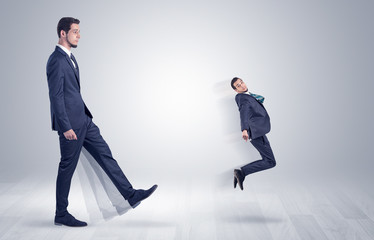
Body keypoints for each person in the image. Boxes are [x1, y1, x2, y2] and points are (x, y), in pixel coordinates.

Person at [46, 17, 157, 227]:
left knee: (105, 155)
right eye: (75, 31)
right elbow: (56, 96)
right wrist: (65, 126)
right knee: (67, 167)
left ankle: (130, 194)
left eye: (79, 31)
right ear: (63, 33)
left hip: (85, 120)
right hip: (71, 125)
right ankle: (61, 213)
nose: (79, 35)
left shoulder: (71, 58)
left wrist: (83, 118)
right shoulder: (56, 60)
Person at [231, 77, 276, 190]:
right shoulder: (242, 97)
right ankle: (241, 172)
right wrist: (244, 129)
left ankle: (241, 172)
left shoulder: (247, 95)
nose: (242, 85)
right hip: (255, 132)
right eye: (238, 86)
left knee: (268, 160)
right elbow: (243, 113)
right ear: (236, 90)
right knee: (270, 161)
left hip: (258, 131)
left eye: (241, 82)